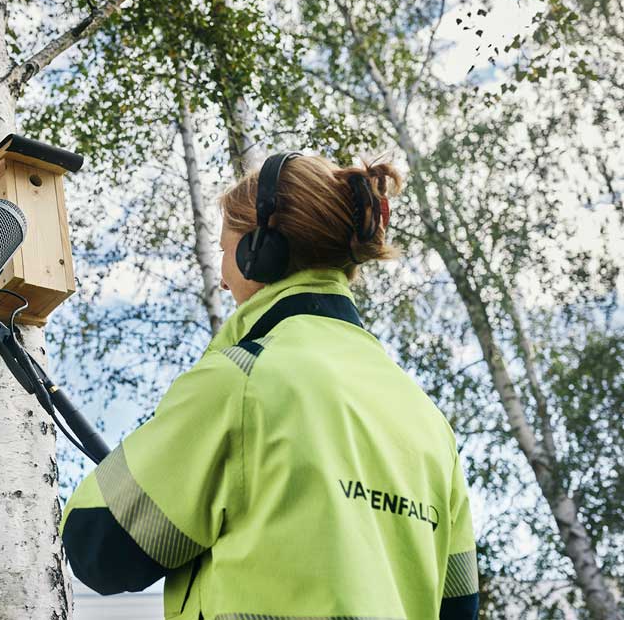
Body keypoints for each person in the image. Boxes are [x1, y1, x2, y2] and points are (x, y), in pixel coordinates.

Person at [59, 153, 479, 620]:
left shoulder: (240, 380)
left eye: (225, 251)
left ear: (258, 252)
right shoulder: (427, 420)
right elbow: (460, 606)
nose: (223, 280)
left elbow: (98, 548)